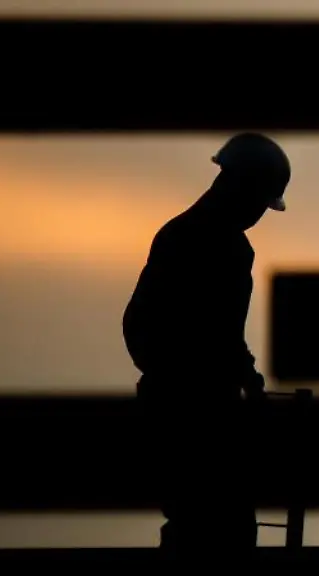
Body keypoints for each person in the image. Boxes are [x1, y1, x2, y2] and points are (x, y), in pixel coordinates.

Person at [122, 132, 291, 554]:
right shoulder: (222, 248)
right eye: (258, 202)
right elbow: (217, 334)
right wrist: (241, 381)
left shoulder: (182, 234)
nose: (258, 214)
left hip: (179, 404)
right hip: (195, 412)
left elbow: (150, 328)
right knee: (217, 524)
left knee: (193, 519)